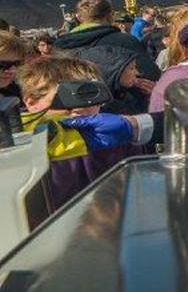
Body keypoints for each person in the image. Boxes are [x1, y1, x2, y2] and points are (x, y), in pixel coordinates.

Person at [18, 55, 144, 211]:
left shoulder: (116, 134)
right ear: (31, 102)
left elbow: (133, 194)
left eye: (85, 95)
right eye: (63, 98)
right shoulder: (16, 142)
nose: (78, 108)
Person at [52, 0, 161, 81]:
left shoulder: (60, 46)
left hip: (75, 105)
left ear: (79, 18)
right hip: (119, 105)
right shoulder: (124, 41)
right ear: (110, 15)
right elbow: (151, 73)